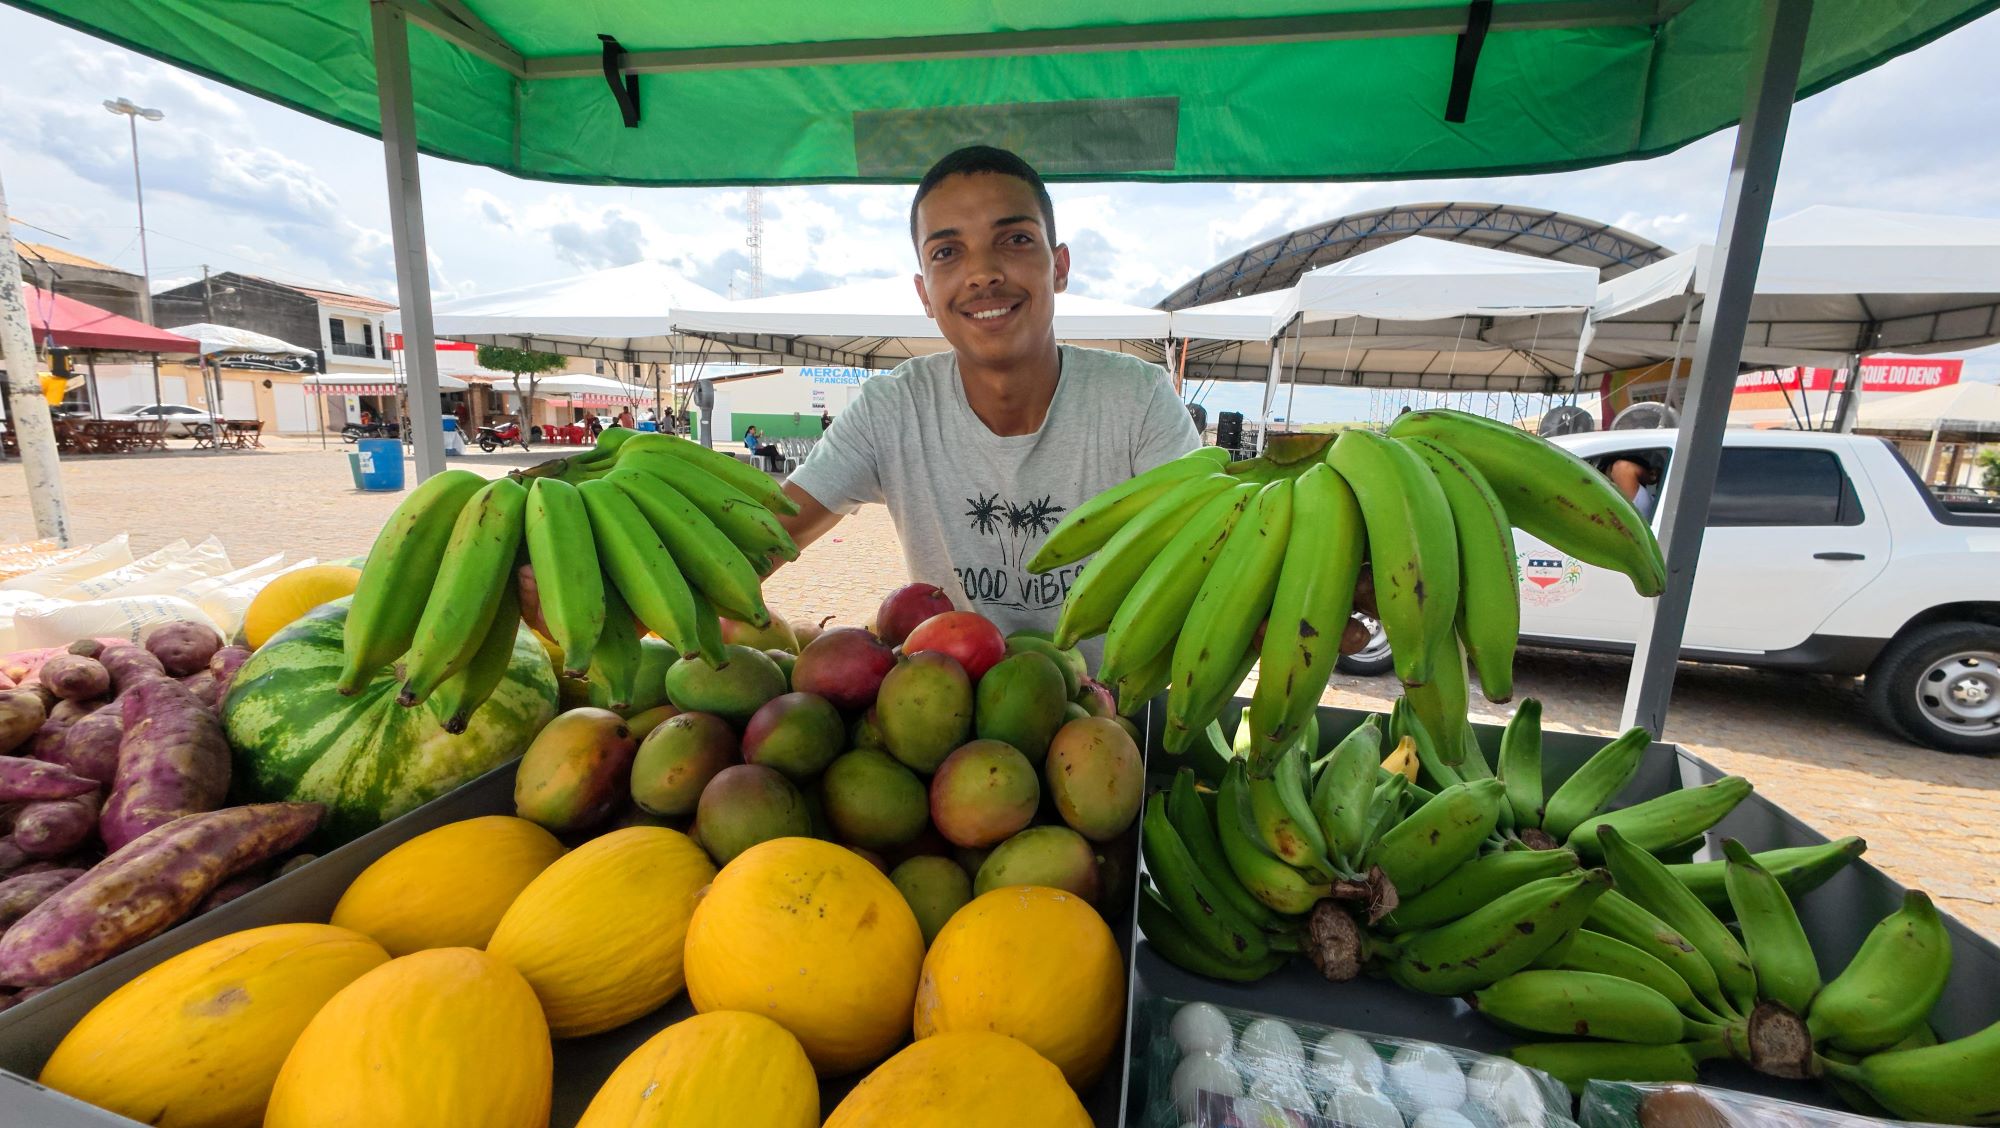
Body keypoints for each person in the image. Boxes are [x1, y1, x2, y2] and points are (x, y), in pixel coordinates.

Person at [771, 145, 1204, 638]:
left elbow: (1205, 562)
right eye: (947, 252)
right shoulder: (891, 410)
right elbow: (760, 542)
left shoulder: (1137, 401)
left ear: (1059, 267)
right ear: (924, 294)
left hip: (1110, 710)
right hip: (941, 707)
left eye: (1015, 238)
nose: (983, 273)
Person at [1606, 454, 1662, 520]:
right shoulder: (1645, 500)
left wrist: (1650, 478)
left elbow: (1622, 467)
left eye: (1613, 479)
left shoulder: (1641, 501)